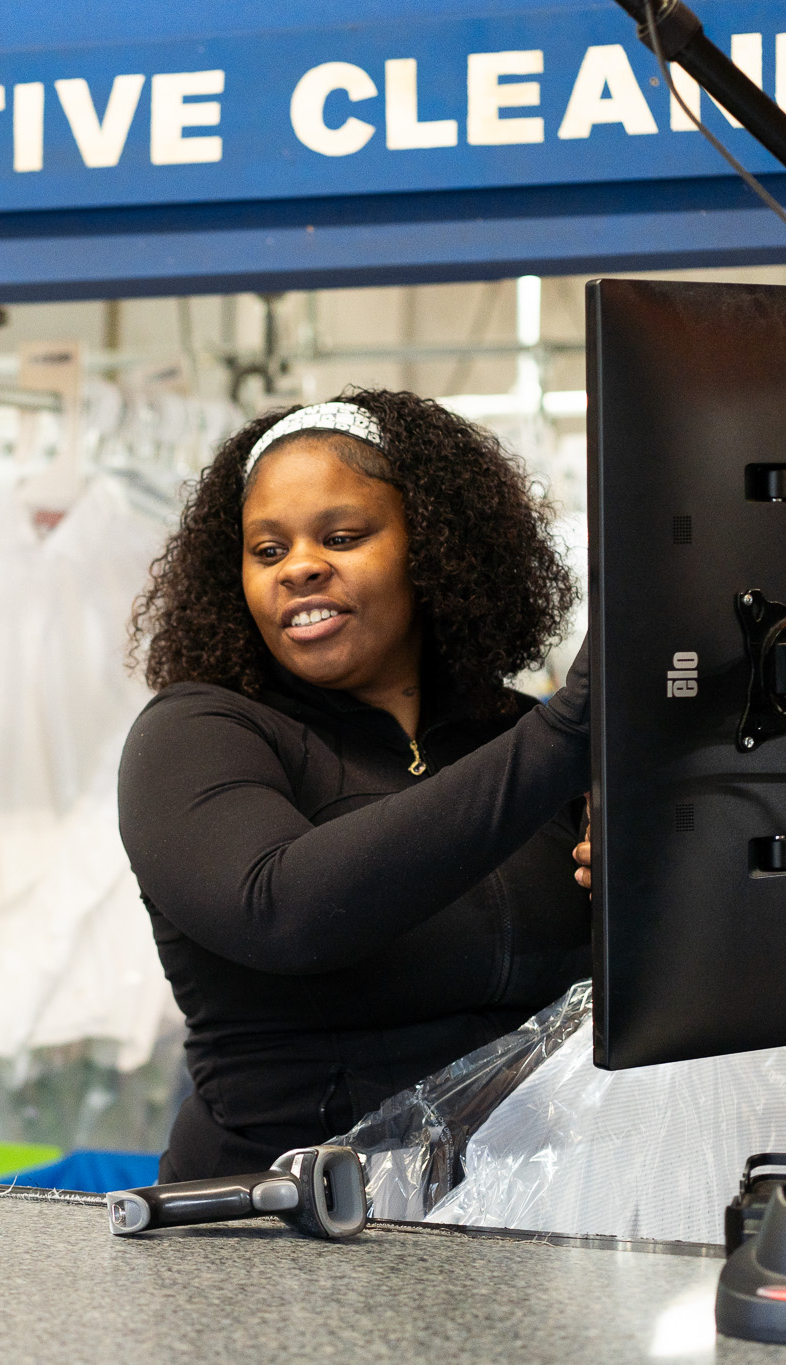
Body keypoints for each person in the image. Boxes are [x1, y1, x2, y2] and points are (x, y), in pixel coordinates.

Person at [121, 391, 593, 1181]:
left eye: (342, 536)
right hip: (277, 1239)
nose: (300, 564)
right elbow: (285, 910)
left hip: (521, 1222)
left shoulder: (517, 734)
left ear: (434, 548)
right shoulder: (196, 733)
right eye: (267, 550)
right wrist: (565, 739)